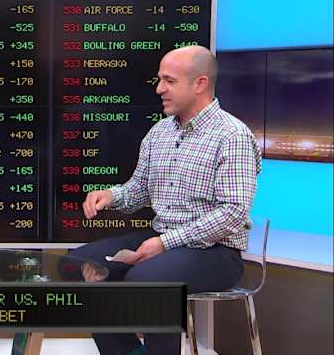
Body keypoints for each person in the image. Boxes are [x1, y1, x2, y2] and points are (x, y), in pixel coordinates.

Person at [71, 45, 261, 355]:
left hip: (216, 251)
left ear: (199, 84)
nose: (159, 89)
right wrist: (112, 195)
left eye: (169, 81)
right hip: (162, 237)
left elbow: (233, 213)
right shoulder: (159, 132)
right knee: (77, 265)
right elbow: (139, 190)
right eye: (159, 80)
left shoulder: (232, 135)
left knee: (147, 281)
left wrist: (165, 243)